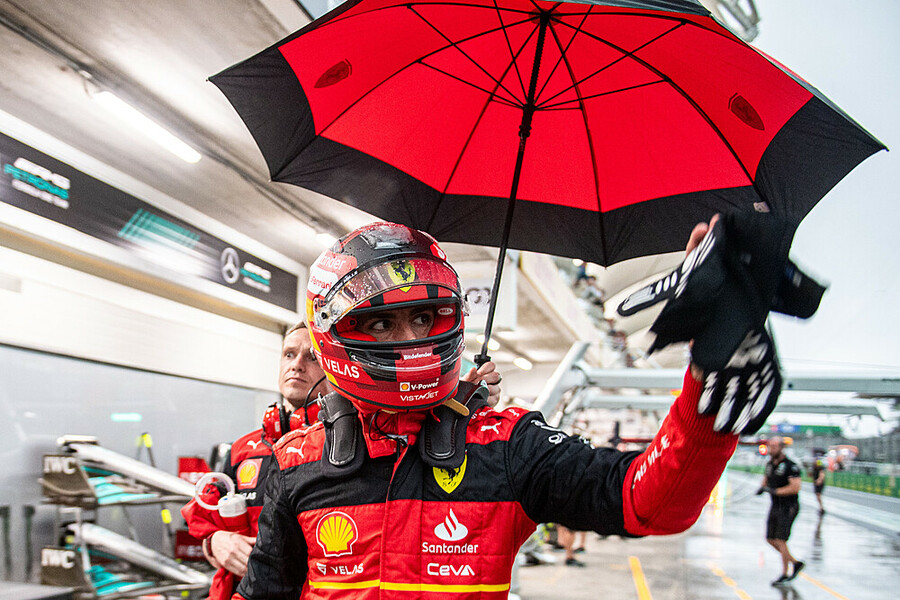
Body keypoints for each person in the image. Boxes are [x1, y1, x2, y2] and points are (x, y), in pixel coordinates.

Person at [234, 219, 775, 599]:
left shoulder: (506, 445)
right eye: (381, 322)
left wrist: (708, 391)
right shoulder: (297, 460)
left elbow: (648, 503)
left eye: (423, 318)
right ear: (334, 333)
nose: (412, 340)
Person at [182, 321, 501, 599]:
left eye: (312, 357)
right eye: (289, 354)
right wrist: (215, 541)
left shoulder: (369, 439)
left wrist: (462, 406)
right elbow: (203, 512)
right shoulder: (243, 449)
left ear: (336, 366)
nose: (297, 365)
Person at [757, 436, 804, 586]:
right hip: (775, 505)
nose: (771, 449)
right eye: (770, 446)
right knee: (770, 538)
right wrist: (762, 487)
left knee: (780, 540)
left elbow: (795, 487)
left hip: (788, 506)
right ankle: (794, 562)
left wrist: (776, 491)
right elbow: (766, 478)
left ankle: (785, 573)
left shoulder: (791, 466)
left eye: (774, 446)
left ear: (782, 448)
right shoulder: (770, 464)